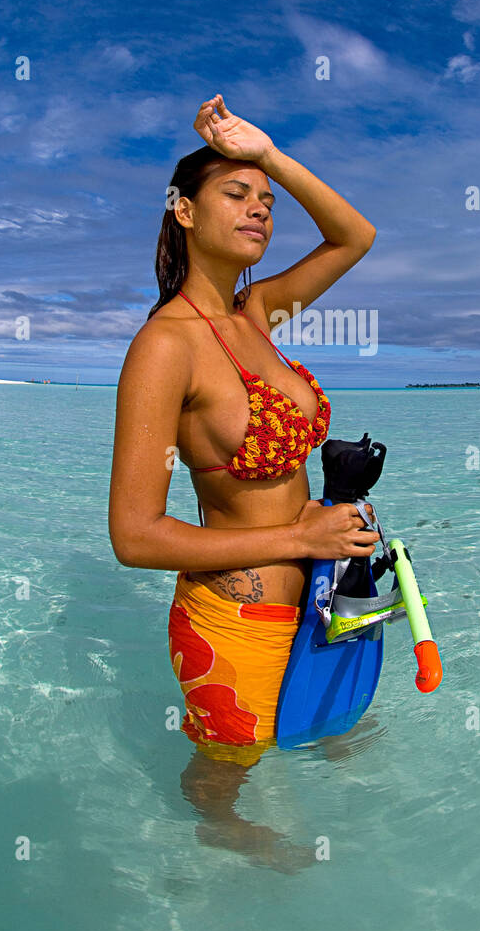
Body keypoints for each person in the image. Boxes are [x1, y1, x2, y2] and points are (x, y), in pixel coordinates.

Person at [109, 95, 380, 866]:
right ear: (184, 213)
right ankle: (215, 831)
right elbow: (133, 534)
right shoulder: (165, 347)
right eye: (237, 194)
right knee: (225, 767)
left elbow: (354, 235)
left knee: (320, 736)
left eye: (266, 200)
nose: (261, 209)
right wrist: (298, 534)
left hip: (319, 593)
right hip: (236, 616)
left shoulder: (256, 313)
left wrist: (267, 155)